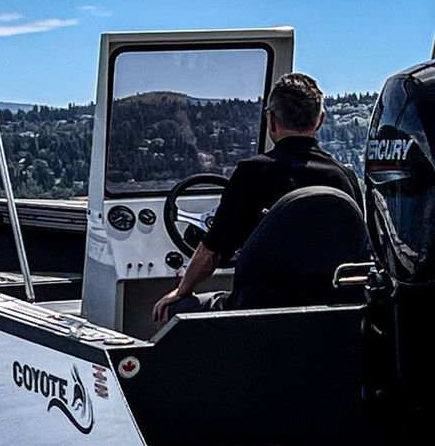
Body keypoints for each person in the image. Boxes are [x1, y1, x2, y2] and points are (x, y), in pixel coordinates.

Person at [152, 72, 363, 325]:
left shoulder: (252, 173)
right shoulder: (345, 178)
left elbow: (210, 255)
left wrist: (180, 291)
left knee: (174, 311)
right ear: (319, 121)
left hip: (258, 310)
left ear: (271, 120)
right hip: (331, 312)